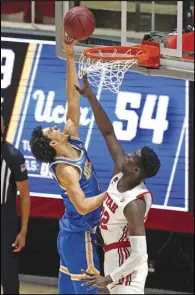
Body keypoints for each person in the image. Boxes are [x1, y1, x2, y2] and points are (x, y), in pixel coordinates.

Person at [29, 35, 104, 295]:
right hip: (79, 236)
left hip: (70, 234)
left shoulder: (72, 140)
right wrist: (113, 192)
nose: (55, 126)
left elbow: (73, 100)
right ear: (52, 144)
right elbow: (83, 206)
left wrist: (70, 56)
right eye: (51, 130)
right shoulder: (65, 169)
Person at [75, 74, 161, 294]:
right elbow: (108, 132)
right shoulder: (119, 175)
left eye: (134, 156)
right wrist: (91, 98)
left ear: (137, 170)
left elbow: (140, 255)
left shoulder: (135, 203)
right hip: (113, 260)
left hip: (128, 269)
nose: (128, 154)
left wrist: (109, 279)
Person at [1, 115, 31, 294]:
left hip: (5, 220)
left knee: (9, 275)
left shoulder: (12, 156)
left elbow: (25, 196)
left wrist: (24, 230)